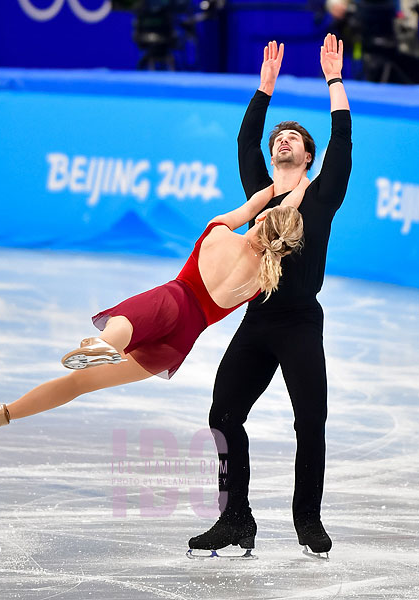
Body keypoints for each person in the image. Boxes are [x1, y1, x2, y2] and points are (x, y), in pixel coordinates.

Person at [0, 178, 309, 436]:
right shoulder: (263, 280)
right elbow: (279, 231)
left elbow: (251, 207)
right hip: (180, 341)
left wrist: (280, 190)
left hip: (173, 300)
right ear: (285, 249)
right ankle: (6, 413)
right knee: (80, 384)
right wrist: (301, 192)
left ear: (261, 218)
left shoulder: (219, 235)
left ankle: (99, 350)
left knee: (121, 327)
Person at [188, 34, 352, 556]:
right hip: (257, 321)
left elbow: (344, 143)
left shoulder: (323, 196)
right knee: (223, 415)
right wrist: (264, 90)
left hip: (301, 321)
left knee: (311, 423)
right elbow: (245, 143)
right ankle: (236, 518)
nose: (282, 140)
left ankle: (307, 519)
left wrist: (334, 82)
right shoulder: (261, 192)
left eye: (292, 138)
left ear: (307, 155)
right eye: (278, 135)